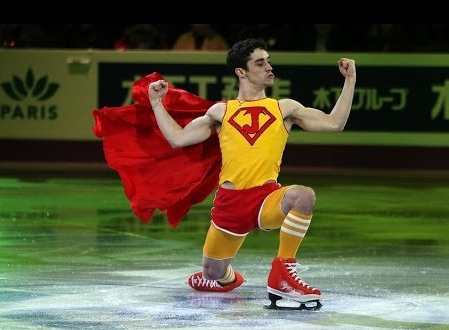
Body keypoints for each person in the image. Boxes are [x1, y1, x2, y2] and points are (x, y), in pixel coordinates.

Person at [148, 38, 356, 308]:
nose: (269, 67)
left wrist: (349, 80)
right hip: (229, 205)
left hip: (265, 200)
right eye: (260, 62)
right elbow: (178, 138)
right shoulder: (222, 111)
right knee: (213, 272)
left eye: (268, 61)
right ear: (241, 72)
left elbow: (334, 123)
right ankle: (223, 278)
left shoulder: (285, 108)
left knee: (304, 196)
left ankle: (282, 273)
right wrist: (156, 103)